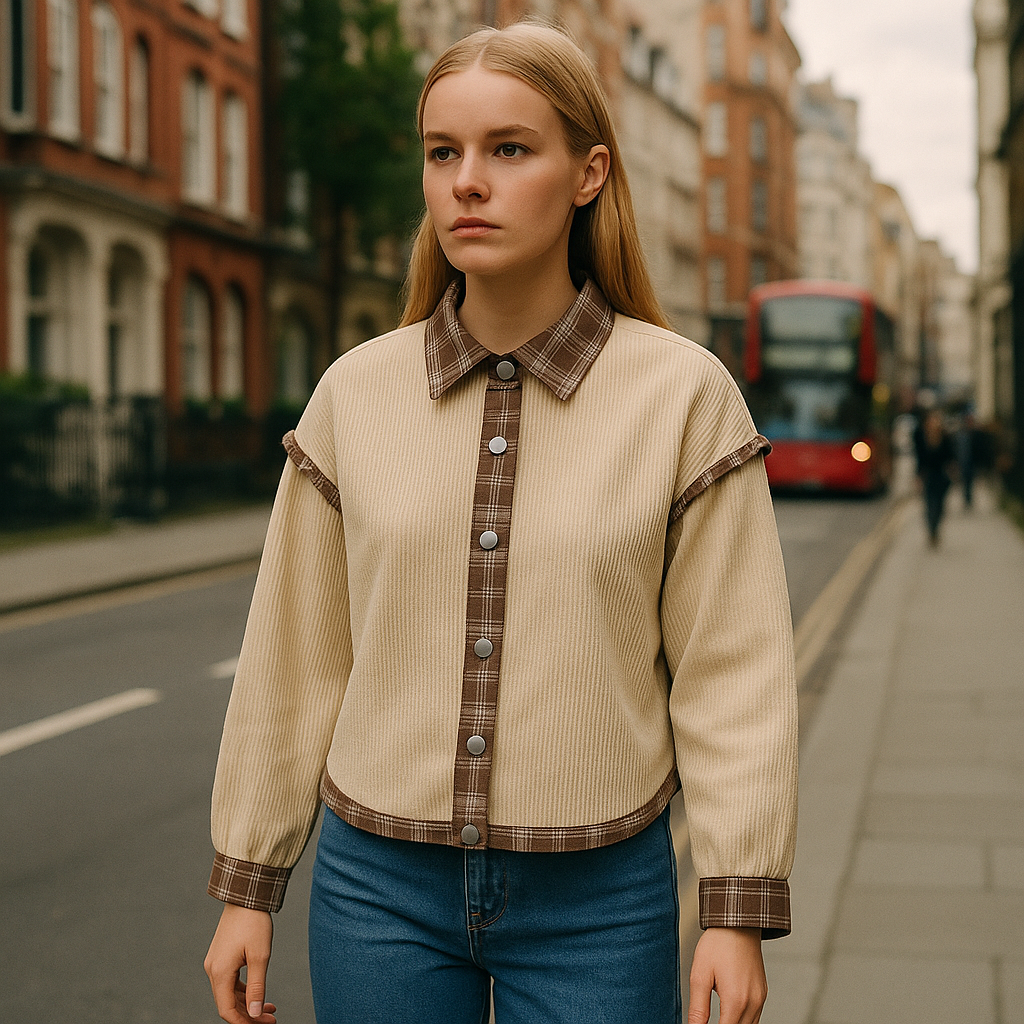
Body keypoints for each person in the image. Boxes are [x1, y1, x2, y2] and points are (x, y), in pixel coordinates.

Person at [203, 21, 798, 1024]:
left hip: (600, 899)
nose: (465, 182)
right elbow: (293, 657)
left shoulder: (684, 397)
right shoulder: (355, 393)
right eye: (444, 153)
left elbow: (733, 669)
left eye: (508, 149)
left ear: (587, 173)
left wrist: (733, 907)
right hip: (375, 890)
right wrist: (246, 886)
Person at [914, 408, 955, 546]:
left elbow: (950, 456)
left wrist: (953, 470)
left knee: (940, 506)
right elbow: (919, 459)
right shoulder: (920, 436)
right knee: (929, 505)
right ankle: (931, 531)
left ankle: (935, 529)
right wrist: (918, 476)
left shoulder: (945, 437)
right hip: (928, 476)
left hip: (941, 476)